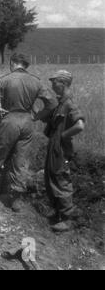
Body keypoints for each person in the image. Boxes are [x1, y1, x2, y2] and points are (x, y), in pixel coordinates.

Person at [0, 53, 58, 211]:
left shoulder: (7, 79)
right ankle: (16, 200)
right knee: (20, 160)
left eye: (10, 63)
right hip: (27, 122)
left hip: (10, 119)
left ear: (14, 63)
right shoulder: (36, 81)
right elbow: (52, 102)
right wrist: (37, 116)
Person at [44, 70, 85, 232]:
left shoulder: (70, 104)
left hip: (61, 148)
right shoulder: (60, 103)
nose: (52, 85)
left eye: (54, 82)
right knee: (51, 178)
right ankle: (58, 212)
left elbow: (80, 125)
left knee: (61, 180)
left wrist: (63, 136)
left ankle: (67, 219)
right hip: (55, 147)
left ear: (63, 83)